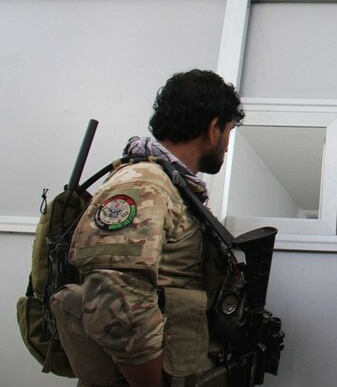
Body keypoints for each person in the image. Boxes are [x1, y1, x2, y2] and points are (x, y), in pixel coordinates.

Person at [50, 69, 244, 386]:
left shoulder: (172, 187)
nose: (226, 145)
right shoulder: (145, 184)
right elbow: (116, 300)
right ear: (213, 129)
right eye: (229, 131)